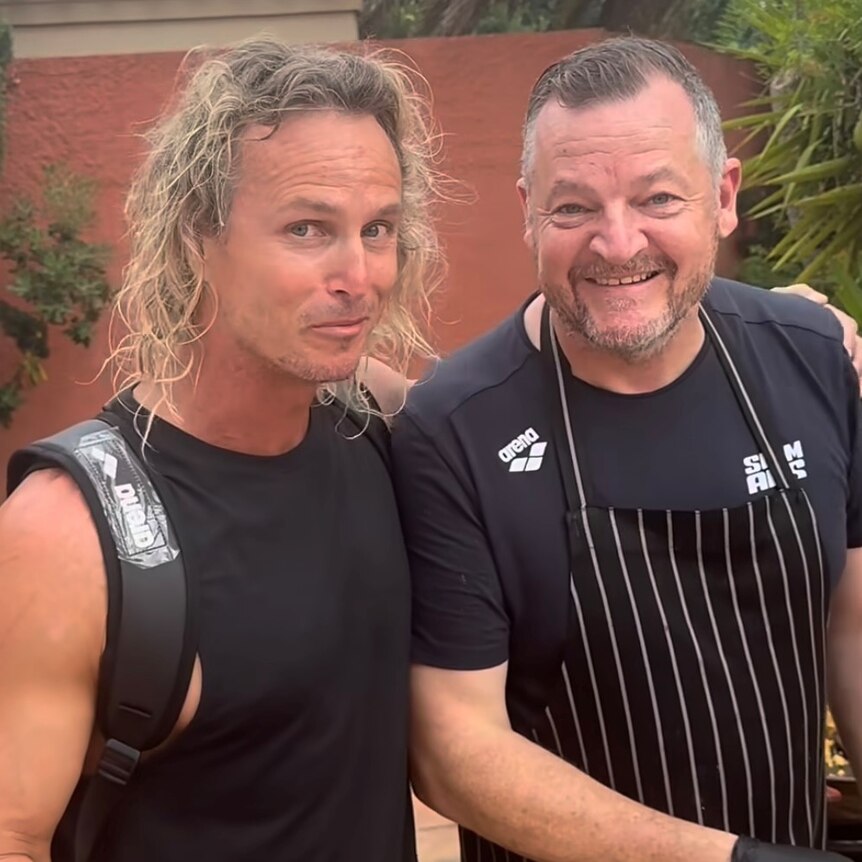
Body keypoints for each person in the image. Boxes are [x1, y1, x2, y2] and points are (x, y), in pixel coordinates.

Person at [392, 36, 862, 862]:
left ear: (723, 197)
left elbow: (854, 632)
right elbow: (454, 752)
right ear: (528, 210)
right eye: (573, 208)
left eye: (658, 199)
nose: (618, 245)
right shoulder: (455, 430)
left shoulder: (813, 356)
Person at [0, 37, 440, 862]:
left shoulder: (378, 421)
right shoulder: (64, 534)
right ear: (198, 235)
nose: (360, 274)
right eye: (308, 228)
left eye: (378, 228)